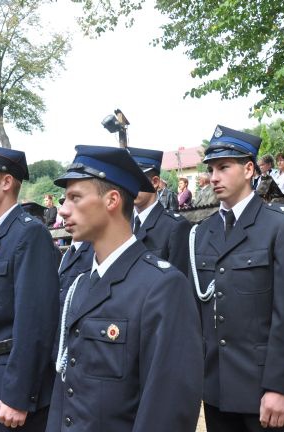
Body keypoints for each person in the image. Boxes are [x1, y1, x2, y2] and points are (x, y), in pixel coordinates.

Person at [47, 145, 203, 431]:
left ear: (112, 200)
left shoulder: (162, 287)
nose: (63, 209)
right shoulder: (80, 286)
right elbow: (65, 388)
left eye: (75, 197)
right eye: (63, 199)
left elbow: (167, 408)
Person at [190, 125, 284, 431]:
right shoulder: (201, 233)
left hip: (264, 389)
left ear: (248, 169)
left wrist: (281, 386)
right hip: (217, 388)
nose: (214, 176)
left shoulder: (281, 226)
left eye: (223, 167)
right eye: (211, 169)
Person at [0, 142, 60, 431]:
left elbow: (36, 323)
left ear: (6, 182)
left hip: (10, 387)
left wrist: (19, 395)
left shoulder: (29, 233)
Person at [127, 146, 191, 275]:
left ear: (155, 182)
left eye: (135, 179)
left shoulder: (175, 226)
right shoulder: (123, 223)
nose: (128, 186)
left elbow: (178, 282)